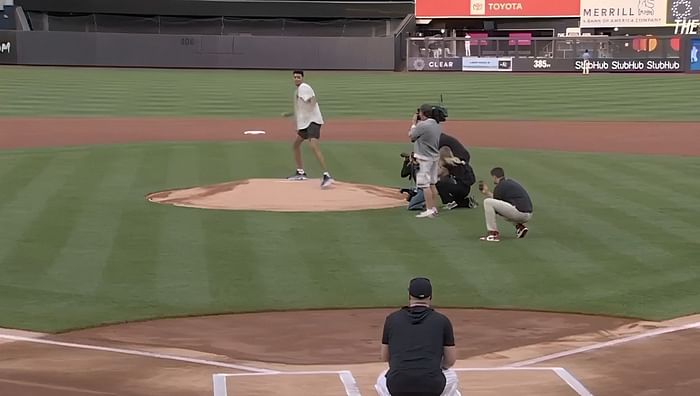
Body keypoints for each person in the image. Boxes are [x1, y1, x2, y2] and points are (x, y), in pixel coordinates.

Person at [375, 277, 461, 396]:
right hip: (432, 386)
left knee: (381, 379)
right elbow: (450, 361)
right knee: (452, 376)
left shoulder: (392, 319)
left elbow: (385, 357)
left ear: (410, 296)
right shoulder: (442, 321)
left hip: (398, 386)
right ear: (430, 297)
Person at [284, 70, 334, 188]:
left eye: (298, 77)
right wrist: (291, 114)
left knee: (314, 147)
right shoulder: (298, 90)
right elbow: (303, 107)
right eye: (295, 77)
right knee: (296, 145)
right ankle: (300, 172)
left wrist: (312, 110)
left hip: (313, 122)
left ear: (302, 78)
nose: (296, 79)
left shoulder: (304, 87)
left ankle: (327, 175)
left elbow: (312, 100)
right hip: (306, 124)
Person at [477, 167, 533, 242]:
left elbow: (495, 204)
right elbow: (499, 204)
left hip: (519, 213)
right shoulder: (508, 183)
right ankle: (520, 227)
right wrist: (487, 193)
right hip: (527, 214)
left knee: (487, 202)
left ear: (494, 177)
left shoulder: (500, 186)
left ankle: (493, 234)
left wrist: (487, 193)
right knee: (496, 207)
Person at [409, 104, 442, 218]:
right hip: (434, 158)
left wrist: (414, 124)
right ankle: (434, 208)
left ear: (422, 114)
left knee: (425, 185)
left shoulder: (423, 125)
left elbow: (412, 136)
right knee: (432, 183)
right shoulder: (436, 124)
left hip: (424, 159)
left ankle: (429, 209)